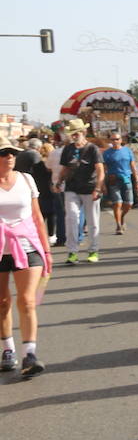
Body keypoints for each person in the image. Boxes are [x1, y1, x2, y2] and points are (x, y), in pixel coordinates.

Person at [0, 140, 51, 379]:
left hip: (26, 245)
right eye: (3, 153)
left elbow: (37, 216)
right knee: (2, 303)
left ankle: (30, 354)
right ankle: (8, 350)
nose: (9, 157)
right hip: (0, 248)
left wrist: (47, 251)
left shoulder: (26, 180)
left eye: (12, 153)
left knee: (28, 301)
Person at [57, 121, 105, 264]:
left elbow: (100, 170)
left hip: (90, 189)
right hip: (71, 188)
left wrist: (98, 188)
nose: (74, 136)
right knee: (71, 218)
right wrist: (58, 182)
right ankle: (72, 252)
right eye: (72, 134)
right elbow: (65, 168)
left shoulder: (92, 149)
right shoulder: (67, 149)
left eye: (76, 133)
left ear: (83, 133)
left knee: (92, 221)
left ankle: (93, 250)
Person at [101, 133, 135, 236]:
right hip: (113, 180)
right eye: (112, 140)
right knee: (117, 203)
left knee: (129, 204)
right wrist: (102, 183)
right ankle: (118, 225)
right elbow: (103, 169)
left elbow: (133, 166)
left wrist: (137, 180)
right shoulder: (106, 153)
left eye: (117, 139)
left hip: (126, 179)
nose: (115, 141)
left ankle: (122, 216)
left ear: (121, 140)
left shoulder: (127, 151)